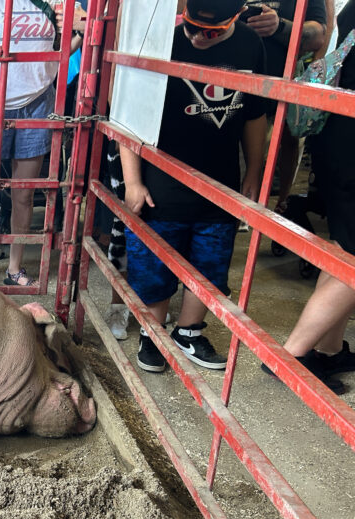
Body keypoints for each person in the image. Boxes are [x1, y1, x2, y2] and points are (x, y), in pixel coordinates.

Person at [121, 0, 267, 373]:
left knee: (210, 264)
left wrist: (254, 171)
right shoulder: (161, 42)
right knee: (153, 266)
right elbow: (130, 115)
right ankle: (151, 335)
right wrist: (133, 181)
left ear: (234, 18)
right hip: (161, 182)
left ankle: (188, 331)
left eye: (212, 31)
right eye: (190, 27)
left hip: (220, 182)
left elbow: (254, 116)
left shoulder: (251, 46)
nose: (197, 37)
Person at [0, 0, 85, 285]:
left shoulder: (57, 3)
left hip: (38, 102)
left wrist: (81, 31)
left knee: (23, 194)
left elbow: (60, 51)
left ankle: (14, 268)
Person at [266, 0, 355, 393]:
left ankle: (330, 349)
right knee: (352, 257)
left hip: (337, 141)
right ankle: (294, 358)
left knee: (343, 249)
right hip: (351, 149)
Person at [240, 0, 327, 211]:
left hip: (284, 77)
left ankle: (283, 203)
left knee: (288, 139)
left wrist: (279, 26)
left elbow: (318, 35)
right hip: (237, 79)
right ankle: (242, 205)